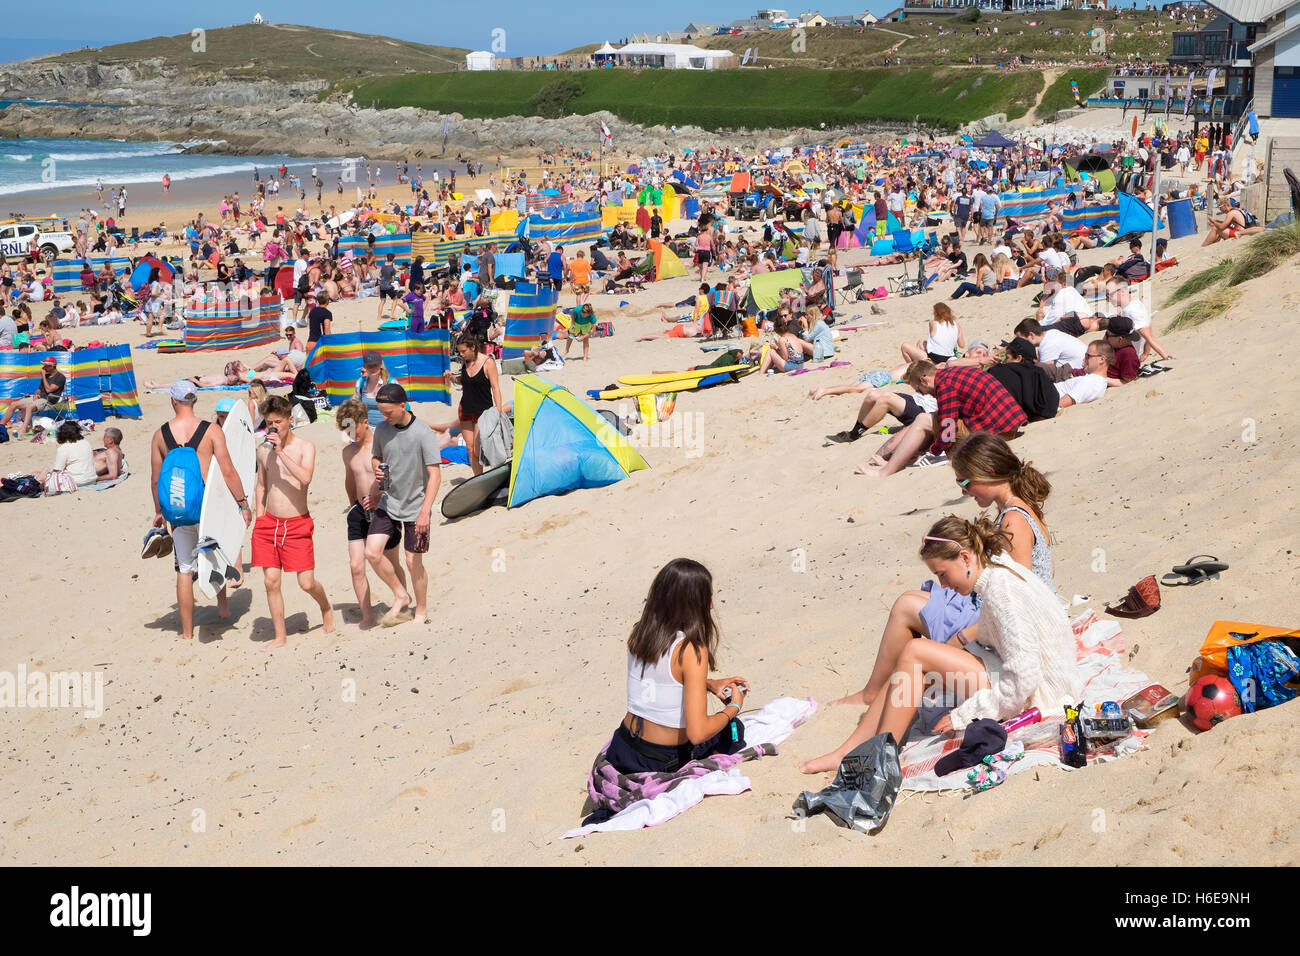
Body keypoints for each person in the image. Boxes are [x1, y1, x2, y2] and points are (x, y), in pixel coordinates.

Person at [797, 514, 1083, 774]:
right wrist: (949, 655)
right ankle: (849, 751)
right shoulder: (999, 569)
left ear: (964, 557)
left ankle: (878, 761)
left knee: (915, 652)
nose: (943, 586)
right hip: (1029, 676)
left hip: (1041, 694)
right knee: (911, 660)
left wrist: (964, 714)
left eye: (942, 574)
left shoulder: (1001, 592)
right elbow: (999, 638)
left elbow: (1023, 680)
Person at [582, 558, 750, 821]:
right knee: (734, 728)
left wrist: (708, 684)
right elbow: (697, 733)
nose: (712, 605)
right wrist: (734, 706)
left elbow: (661, 681)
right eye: (707, 597)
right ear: (691, 603)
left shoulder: (642, 633)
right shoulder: (692, 650)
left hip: (623, 748)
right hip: (659, 760)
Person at [148, 381, 251, 641]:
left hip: (179, 509)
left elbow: (155, 478)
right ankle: (224, 609)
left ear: (173, 401)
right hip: (208, 509)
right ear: (195, 401)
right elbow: (228, 471)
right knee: (213, 557)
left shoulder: (160, 435)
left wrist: (159, 512)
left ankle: (186, 632)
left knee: (185, 569)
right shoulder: (211, 430)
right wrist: (243, 504)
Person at [249, 395, 334, 649]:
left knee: (306, 582)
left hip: (297, 524)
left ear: (289, 420)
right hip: (269, 523)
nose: (273, 427)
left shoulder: (305, 447)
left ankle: (325, 607)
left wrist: (281, 452)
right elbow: (262, 486)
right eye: (268, 422)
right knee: (270, 581)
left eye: (278, 422)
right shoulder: (262, 449)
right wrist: (259, 516)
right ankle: (280, 636)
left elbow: (304, 479)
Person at [858, 361, 1027, 477]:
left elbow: (948, 429)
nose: (921, 394)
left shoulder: (944, 386)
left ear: (924, 379)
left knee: (923, 419)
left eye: (918, 389)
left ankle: (885, 472)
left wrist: (933, 452)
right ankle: (894, 460)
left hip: (997, 432)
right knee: (931, 419)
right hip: (1007, 423)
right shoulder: (952, 374)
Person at [366, 383, 440, 627]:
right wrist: (377, 469)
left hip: (416, 506)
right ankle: (401, 594)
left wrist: (425, 512)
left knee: (412, 561)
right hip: (389, 501)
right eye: (381, 412)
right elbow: (376, 456)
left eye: (388, 412)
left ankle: (421, 610)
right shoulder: (382, 430)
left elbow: (435, 475)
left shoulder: (423, 432)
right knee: (372, 552)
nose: (384, 417)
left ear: (402, 405)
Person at [337, 398, 407, 630]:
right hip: (359, 511)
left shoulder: (382, 444)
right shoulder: (348, 452)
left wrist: (381, 496)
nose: (349, 434)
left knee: (391, 561)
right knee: (356, 566)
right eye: (344, 429)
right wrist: (351, 505)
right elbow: (350, 480)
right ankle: (366, 617)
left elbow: (396, 476)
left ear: (365, 422)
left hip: (385, 509)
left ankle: (403, 601)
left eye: (352, 428)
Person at [452, 335, 503, 476]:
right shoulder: (465, 362)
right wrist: (452, 378)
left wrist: (498, 410)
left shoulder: (488, 363)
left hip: (482, 412)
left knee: (477, 449)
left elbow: (495, 387)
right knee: (469, 449)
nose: (461, 355)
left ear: (473, 347)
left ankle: (493, 475)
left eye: (463, 351)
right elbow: (464, 381)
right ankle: (478, 479)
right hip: (465, 409)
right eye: (459, 352)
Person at [894, 302, 965, 374]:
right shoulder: (956, 325)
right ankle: (919, 366)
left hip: (934, 359)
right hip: (949, 358)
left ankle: (913, 370)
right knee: (921, 341)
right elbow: (962, 345)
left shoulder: (933, 322)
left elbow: (933, 337)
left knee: (904, 346)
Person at [1, 356, 66, 434]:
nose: (43, 367)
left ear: (52, 366)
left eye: (45, 366)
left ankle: (24, 429)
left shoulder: (60, 377)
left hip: (48, 400)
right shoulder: (46, 375)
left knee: (29, 406)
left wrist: (43, 377)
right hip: (39, 398)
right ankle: (1, 425)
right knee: (13, 404)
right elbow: (39, 389)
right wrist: (36, 394)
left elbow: (49, 390)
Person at [37, 420, 98, 490]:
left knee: (45, 471)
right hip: (91, 479)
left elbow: (58, 470)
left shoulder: (64, 448)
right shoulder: (86, 442)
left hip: (76, 482)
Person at [1055, 342, 1113, 409]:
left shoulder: (1091, 381)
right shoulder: (1096, 380)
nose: (1084, 359)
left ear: (1101, 359)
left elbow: (1061, 404)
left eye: (1087, 356)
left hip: (1047, 396)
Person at [355, 350, 390, 428]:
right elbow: (358, 406)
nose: (372, 368)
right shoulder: (360, 383)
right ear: (364, 367)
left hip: (389, 429)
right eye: (369, 366)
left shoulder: (391, 383)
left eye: (375, 365)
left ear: (381, 365)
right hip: (368, 428)